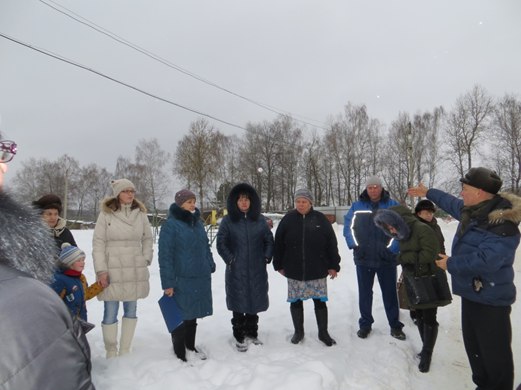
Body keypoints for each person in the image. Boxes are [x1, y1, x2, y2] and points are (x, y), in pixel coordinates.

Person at [408, 167, 520, 389]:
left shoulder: (503, 224)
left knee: (495, 359)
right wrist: (428, 192)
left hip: (491, 301)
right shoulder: (474, 210)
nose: (461, 193)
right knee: (475, 351)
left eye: (465, 189)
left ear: (479, 192)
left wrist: (450, 264)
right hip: (472, 295)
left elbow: (487, 260)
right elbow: (450, 202)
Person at [0, 137, 95, 389]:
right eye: (48, 213)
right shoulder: (22, 243)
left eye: (55, 213)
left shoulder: (64, 232)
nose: (53, 217)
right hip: (48, 293)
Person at [374, 205, 450, 373]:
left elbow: (430, 254)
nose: (391, 230)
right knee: (420, 315)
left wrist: (403, 257)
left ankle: (427, 355)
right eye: (388, 228)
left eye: (392, 225)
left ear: (400, 221)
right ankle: (424, 349)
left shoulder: (422, 229)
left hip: (430, 278)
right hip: (414, 278)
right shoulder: (402, 233)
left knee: (429, 317)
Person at [93, 178, 153, 358]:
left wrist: (145, 258)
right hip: (112, 267)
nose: (130, 194)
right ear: (118, 193)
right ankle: (111, 350)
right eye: (126, 191)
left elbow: (148, 238)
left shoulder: (140, 213)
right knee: (110, 309)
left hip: (134, 266)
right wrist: (101, 270)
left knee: (131, 308)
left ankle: (126, 349)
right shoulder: (106, 214)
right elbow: (98, 243)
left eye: (132, 191)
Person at [273, 188, 340, 346]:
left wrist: (333, 265)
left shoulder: (320, 219)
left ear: (311, 203)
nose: (301, 204)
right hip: (295, 269)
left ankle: (323, 333)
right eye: (298, 201)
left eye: (304, 201)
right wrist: (279, 264)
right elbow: (278, 244)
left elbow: (331, 244)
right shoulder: (288, 220)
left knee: (320, 302)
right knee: (295, 302)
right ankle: (298, 332)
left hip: (317, 269)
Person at [343, 175, 405, 340]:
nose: (373, 190)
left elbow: (402, 229)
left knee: (390, 293)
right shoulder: (357, 206)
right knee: (365, 293)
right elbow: (348, 227)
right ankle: (365, 324)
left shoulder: (392, 206)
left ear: (381, 188)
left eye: (376, 187)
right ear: (366, 189)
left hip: (386, 259)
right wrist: (355, 245)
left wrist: (392, 249)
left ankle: (395, 325)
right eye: (370, 187)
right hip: (364, 258)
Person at [158, 189, 216, 362]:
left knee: (193, 313)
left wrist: (209, 263)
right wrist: (168, 283)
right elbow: (165, 256)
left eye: (194, 201)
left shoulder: (197, 223)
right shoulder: (171, 225)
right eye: (189, 201)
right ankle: (179, 352)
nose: (193, 204)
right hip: (180, 278)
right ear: (180, 203)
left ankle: (190, 346)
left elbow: (205, 246)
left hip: (199, 276)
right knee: (180, 315)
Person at [216, 183, 274, 351]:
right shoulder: (228, 221)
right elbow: (221, 243)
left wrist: (266, 256)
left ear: (251, 201)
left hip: (257, 268)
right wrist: (231, 260)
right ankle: (239, 335)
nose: (244, 203)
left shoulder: (260, 220)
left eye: (247, 199)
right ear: (235, 202)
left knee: (254, 299)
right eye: (240, 199)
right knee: (238, 300)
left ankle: (252, 332)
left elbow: (269, 240)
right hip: (236, 269)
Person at [51, 243, 104, 322]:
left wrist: (99, 285)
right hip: (66, 324)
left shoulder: (81, 277)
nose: (83, 262)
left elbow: (85, 294)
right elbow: (53, 304)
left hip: (80, 322)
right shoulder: (59, 280)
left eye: (83, 260)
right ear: (70, 263)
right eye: (79, 260)